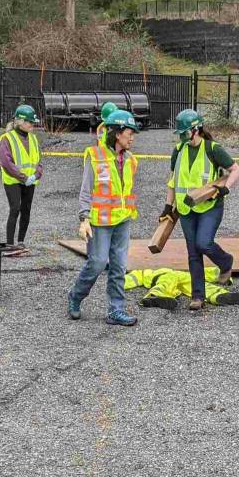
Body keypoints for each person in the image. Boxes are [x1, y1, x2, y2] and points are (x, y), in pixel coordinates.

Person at [162, 109, 239, 311]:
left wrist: (226, 188)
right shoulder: (178, 150)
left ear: (195, 130)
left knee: (204, 243)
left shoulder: (213, 149)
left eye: (184, 133)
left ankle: (225, 262)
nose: (181, 137)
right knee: (193, 252)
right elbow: (173, 181)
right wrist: (167, 207)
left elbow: (236, 170)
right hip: (185, 208)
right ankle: (198, 296)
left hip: (209, 206)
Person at [68, 109, 141, 326]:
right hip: (100, 223)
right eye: (130, 132)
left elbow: (125, 191)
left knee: (119, 266)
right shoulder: (96, 156)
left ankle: (116, 310)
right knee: (98, 263)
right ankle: (75, 296)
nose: (132, 137)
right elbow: (86, 190)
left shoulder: (130, 160)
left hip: (122, 220)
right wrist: (84, 218)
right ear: (118, 133)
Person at [0, 104, 43, 250]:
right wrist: (23, 178)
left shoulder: (34, 139)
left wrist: (36, 175)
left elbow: (38, 161)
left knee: (26, 209)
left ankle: (21, 241)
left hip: (30, 181)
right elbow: (6, 163)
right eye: (30, 122)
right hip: (13, 181)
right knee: (15, 208)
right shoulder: (7, 138)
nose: (33, 125)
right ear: (20, 121)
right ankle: (10, 243)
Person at [125, 267, 239, 311]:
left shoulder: (151, 272)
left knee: (165, 285)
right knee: (199, 284)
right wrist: (224, 276)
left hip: (172, 277)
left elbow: (135, 277)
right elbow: (207, 272)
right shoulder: (186, 270)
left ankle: (155, 297)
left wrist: (119, 283)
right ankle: (219, 295)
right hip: (179, 276)